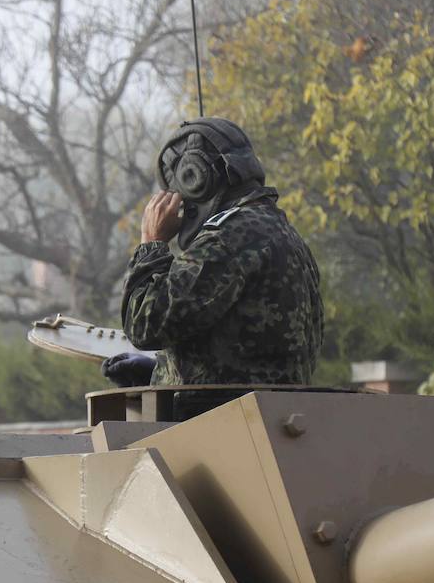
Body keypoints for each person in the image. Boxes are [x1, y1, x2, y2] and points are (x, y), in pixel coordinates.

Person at [103, 117, 323, 417]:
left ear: (197, 178)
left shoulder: (229, 237)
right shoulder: (281, 232)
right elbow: (253, 355)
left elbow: (145, 324)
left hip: (220, 434)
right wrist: (164, 372)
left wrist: (152, 243)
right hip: (268, 423)